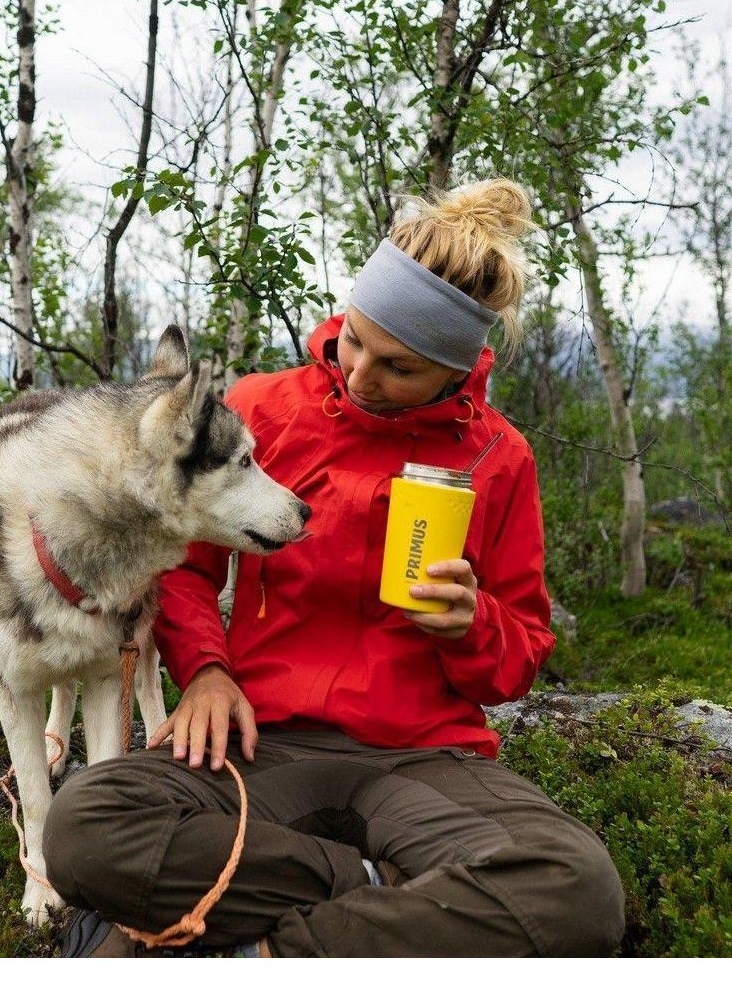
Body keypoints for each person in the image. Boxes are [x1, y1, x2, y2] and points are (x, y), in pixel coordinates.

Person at [43, 178, 626, 957]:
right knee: (84, 828)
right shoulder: (265, 411)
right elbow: (180, 567)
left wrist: (472, 623)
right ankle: (384, 895)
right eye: (354, 339)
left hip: (422, 759)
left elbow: (520, 654)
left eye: (399, 367)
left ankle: (266, 950)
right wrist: (209, 672)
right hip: (260, 746)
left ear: (457, 369)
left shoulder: (498, 457)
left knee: (576, 888)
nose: (359, 375)